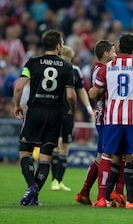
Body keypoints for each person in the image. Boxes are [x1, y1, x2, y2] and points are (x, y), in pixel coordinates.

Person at [88, 33, 133, 209]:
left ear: (119, 47)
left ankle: (102, 198)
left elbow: (95, 93)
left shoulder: (107, 67)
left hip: (112, 119)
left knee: (106, 156)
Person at [13, 29, 77, 206]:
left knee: (25, 152)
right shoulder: (67, 66)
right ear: (58, 45)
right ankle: (34, 195)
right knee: (46, 156)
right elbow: (71, 96)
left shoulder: (32, 63)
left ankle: (31, 187)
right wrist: (72, 109)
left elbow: (19, 87)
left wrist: (16, 105)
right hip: (55, 114)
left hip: (35, 111)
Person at [75, 40, 116, 205]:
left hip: (106, 118)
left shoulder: (99, 69)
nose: (115, 55)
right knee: (108, 156)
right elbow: (98, 94)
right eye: (113, 52)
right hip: (106, 119)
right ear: (106, 53)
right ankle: (105, 195)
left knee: (101, 157)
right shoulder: (101, 70)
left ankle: (85, 192)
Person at [51, 45, 95, 191]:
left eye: (69, 60)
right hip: (55, 111)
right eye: (65, 59)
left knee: (65, 146)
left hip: (69, 112)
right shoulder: (54, 69)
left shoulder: (75, 70)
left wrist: (89, 109)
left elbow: (81, 90)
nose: (67, 62)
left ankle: (60, 180)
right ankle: (53, 180)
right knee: (57, 144)